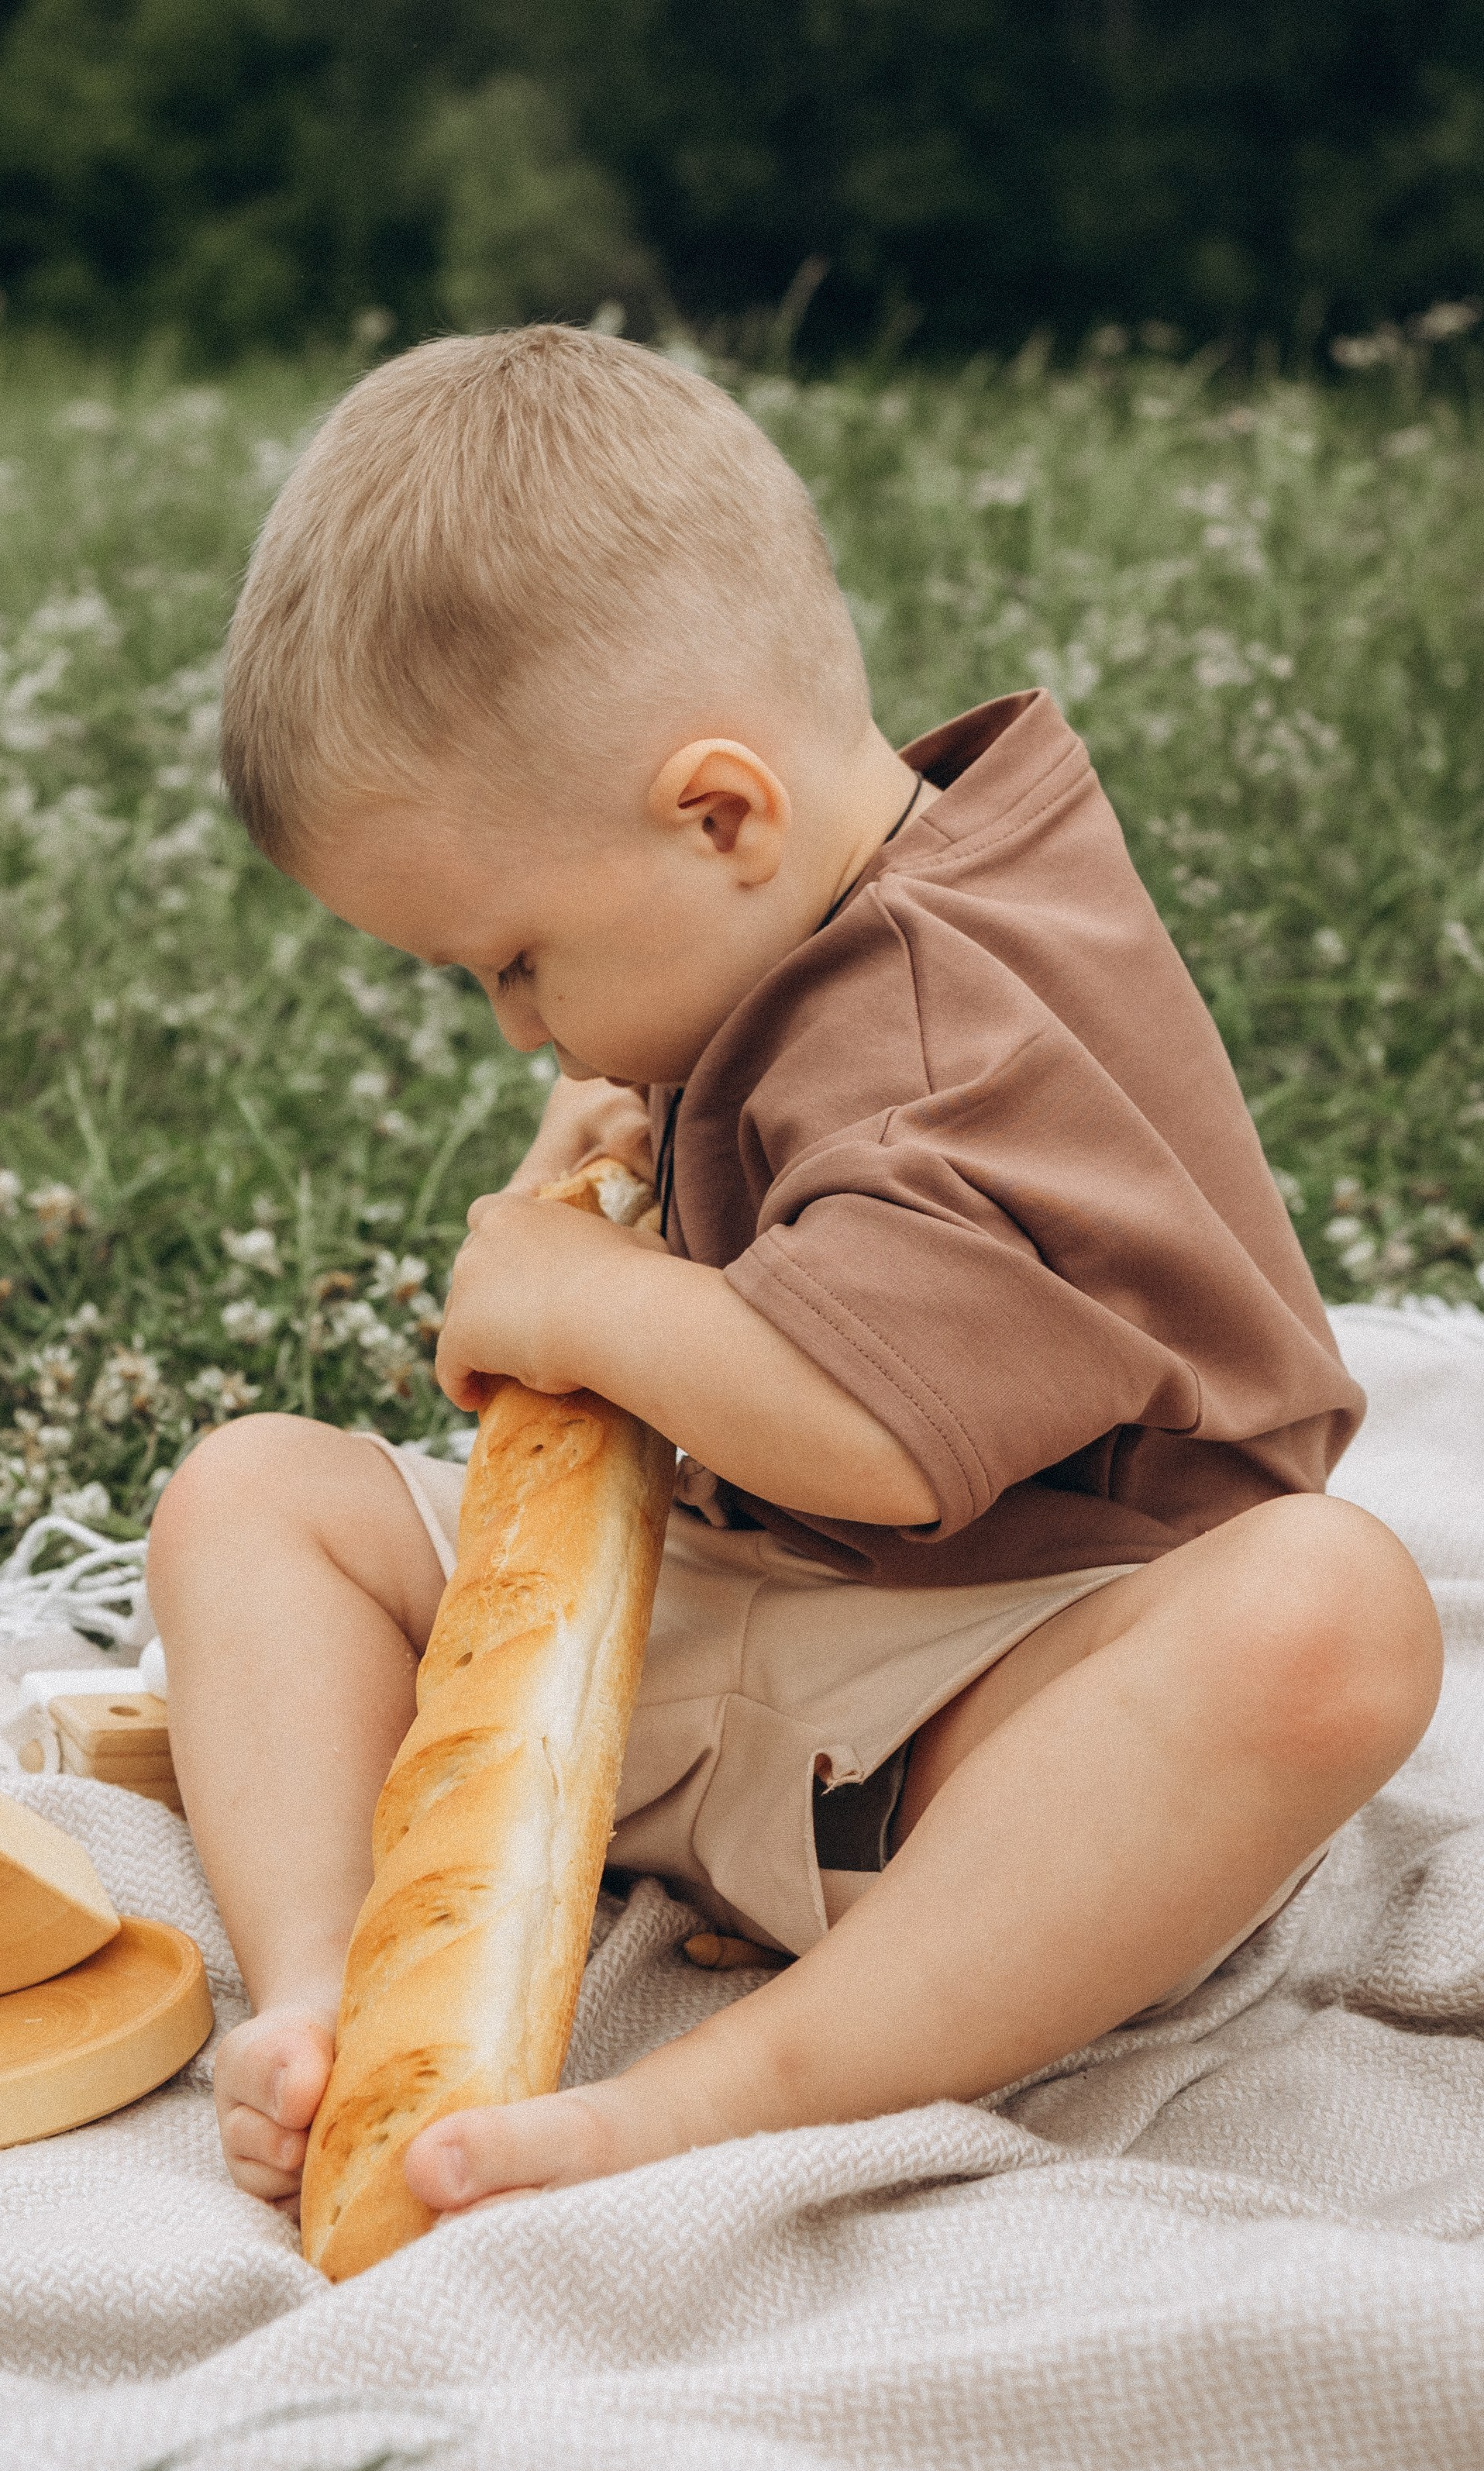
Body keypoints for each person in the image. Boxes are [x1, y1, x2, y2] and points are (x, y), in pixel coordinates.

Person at [148, 324, 1442, 2221]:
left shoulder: (956, 1013)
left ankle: (726, 2093)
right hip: (739, 1615)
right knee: (251, 1488)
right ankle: (331, 1994)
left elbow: (876, 1438)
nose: (518, 1031)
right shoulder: (754, 935)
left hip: (983, 1719)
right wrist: (610, 1205)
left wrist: (585, 1302)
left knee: (1324, 1621)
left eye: (512, 962)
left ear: (722, 816)